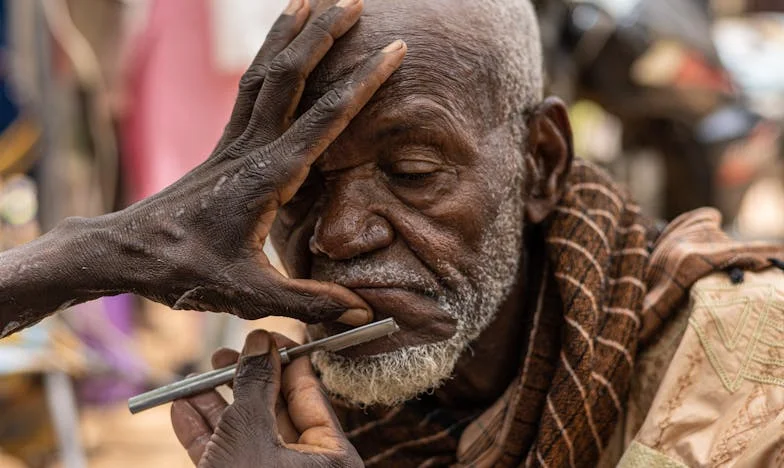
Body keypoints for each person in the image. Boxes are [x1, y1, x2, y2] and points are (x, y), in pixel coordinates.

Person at [1, 0, 783, 466]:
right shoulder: (299, 430)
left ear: (540, 163)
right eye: (299, 182)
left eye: (412, 171)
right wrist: (87, 255)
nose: (339, 235)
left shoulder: (750, 375)